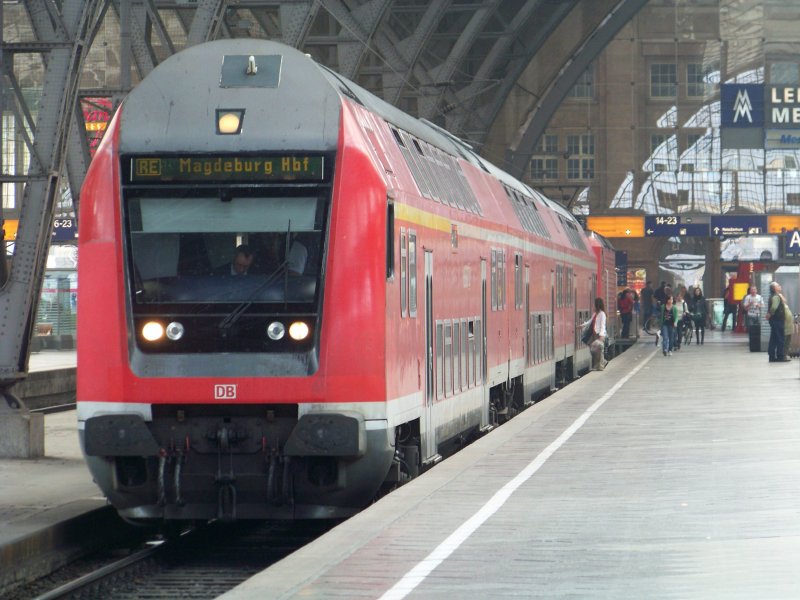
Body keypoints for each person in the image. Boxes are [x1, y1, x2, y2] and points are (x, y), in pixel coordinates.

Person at [766, 281, 792, 362]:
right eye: (778, 285)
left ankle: (772, 356)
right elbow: (774, 307)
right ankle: (780, 356)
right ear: (774, 288)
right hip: (778, 320)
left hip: (775, 320)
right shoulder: (776, 297)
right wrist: (770, 314)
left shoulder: (775, 296)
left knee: (773, 338)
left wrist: (769, 315)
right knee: (780, 338)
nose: (780, 286)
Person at [581, 297, 607, 371]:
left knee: (597, 350)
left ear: (597, 305)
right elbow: (590, 322)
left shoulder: (602, 314)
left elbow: (602, 325)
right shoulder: (595, 314)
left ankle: (600, 365)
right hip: (594, 334)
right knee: (595, 350)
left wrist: (601, 335)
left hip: (599, 334)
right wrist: (582, 325)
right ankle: (601, 364)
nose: (593, 306)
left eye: (594, 305)